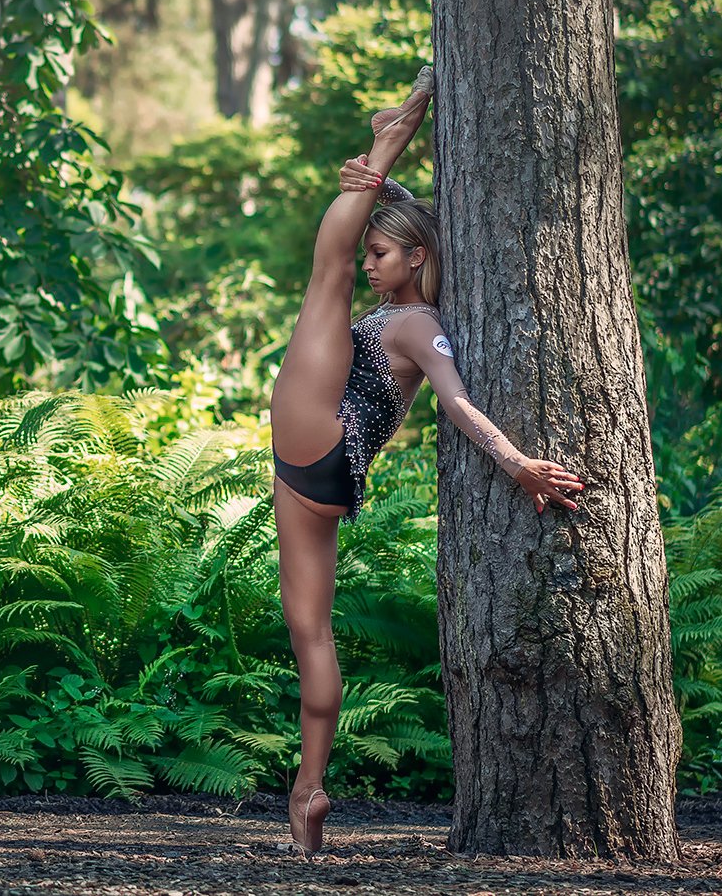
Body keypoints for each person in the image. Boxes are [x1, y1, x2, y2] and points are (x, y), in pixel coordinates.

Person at [267, 67, 585, 853]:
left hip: (320, 433)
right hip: (319, 474)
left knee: (325, 276)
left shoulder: (416, 324)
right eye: (372, 249)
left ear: (414, 260)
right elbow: (404, 230)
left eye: (384, 252)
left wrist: (517, 463)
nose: (374, 263)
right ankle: (309, 790)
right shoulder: (404, 304)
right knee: (308, 629)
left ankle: (399, 122)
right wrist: (383, 187)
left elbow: (454, 399)